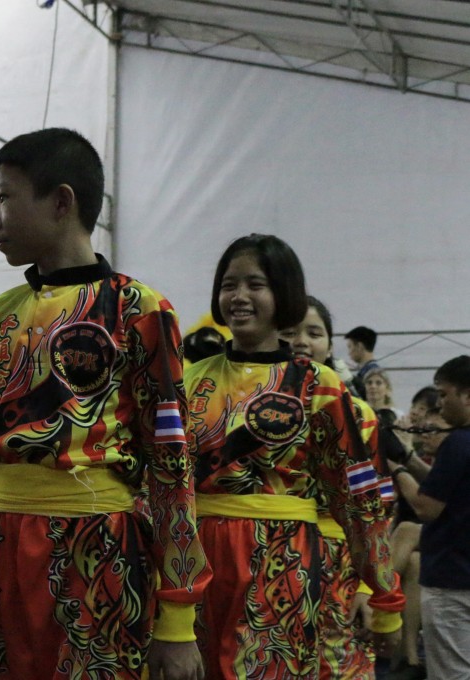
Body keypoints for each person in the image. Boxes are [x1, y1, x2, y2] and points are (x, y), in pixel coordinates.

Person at [0, 128, 211, 680]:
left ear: (61, 201)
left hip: (100, 553)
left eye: (3, 198)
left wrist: (178, 620)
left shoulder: (139, 309)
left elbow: (171, 466)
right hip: (1, 554)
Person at [184, 235, 403, 680]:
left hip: (283, 565)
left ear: (283, 294)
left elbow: (359, 500)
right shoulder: (188, 381)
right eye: (229, 284)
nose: (239, 296)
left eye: (255, 284)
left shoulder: (320, 386)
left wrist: (385, 598)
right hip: (196, 565)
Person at [281, 295, 387, 679]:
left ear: (329, 343)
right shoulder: (252, 405)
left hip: (343, 564)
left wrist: (370, 587)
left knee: (341, 666)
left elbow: (376, 507)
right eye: (291, 331)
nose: (302, 341)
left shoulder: (360, 415)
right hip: (276, 557)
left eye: (315, 332)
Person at [388, 355, 470, 679]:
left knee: (453, 674)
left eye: (445, 394)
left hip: (452, 580)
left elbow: (426, 507)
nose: (441, 403)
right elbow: (443, 486)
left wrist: (395, 468)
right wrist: (406, 456)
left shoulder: (458, 443)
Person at [345, 325, 380, 400]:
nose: (349, 352)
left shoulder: (371, 373)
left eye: (350, 347)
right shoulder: (369, 371)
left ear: (359, 346)